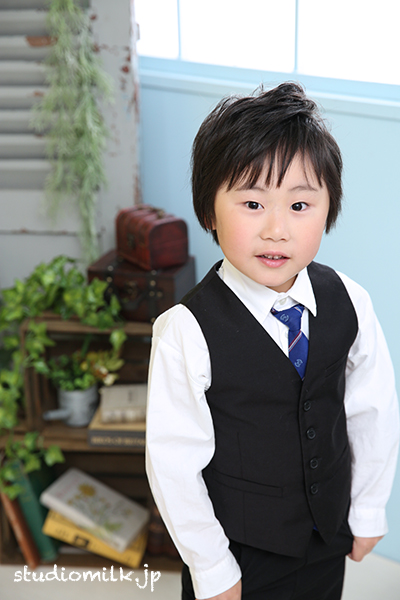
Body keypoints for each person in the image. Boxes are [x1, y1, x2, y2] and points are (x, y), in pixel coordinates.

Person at [145, 82, 399, 600]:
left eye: (300, 205)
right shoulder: (186, 330)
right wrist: (212, 567)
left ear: (329, 209)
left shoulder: (349, 299)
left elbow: (372, 411)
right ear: (210, 211)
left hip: (326, 535)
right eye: (253, 203)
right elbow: (173, 464)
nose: (277, 229)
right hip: (238, 555)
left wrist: (369, 509)